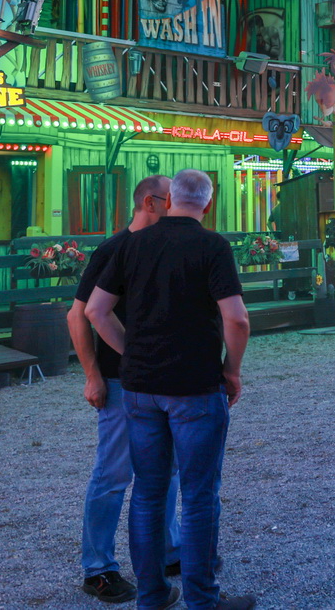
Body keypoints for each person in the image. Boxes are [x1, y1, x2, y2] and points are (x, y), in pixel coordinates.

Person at [85, 169, 254, 610]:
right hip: (194, 386)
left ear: (170, 200)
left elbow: (96, 311)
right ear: (208, 205)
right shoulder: (213, 246)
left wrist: (133, 351)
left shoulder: (133, 244)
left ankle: (153, 597)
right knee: (198, 496)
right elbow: (237, 319)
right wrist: (232, 370)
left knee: (147, 492)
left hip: (140, 389)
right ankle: (202, 600)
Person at [67, 176, 181, 604]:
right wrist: (93, 375)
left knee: (167, 469)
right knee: (114, 474)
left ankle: (168, 550)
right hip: (119, 379)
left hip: (160, 378)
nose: (177, 208)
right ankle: (98, 568)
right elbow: (78, 316)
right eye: (171, 201)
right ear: (151, 202)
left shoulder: (166, 246)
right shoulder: (113, 249)